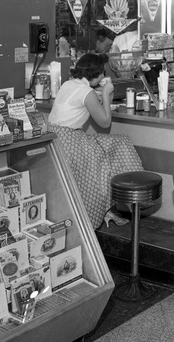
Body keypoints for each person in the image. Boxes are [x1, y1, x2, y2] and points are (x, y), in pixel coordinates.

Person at [48, 53, 144, 229]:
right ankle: (131, 197)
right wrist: (107, 94)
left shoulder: (69, 84)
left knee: (112, 147)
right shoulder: (87, 92)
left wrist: (100, 96)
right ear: (98, 74)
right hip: (71, 142)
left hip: (56, 139)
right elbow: (105, 123)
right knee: (116, 149)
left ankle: (109, 208)